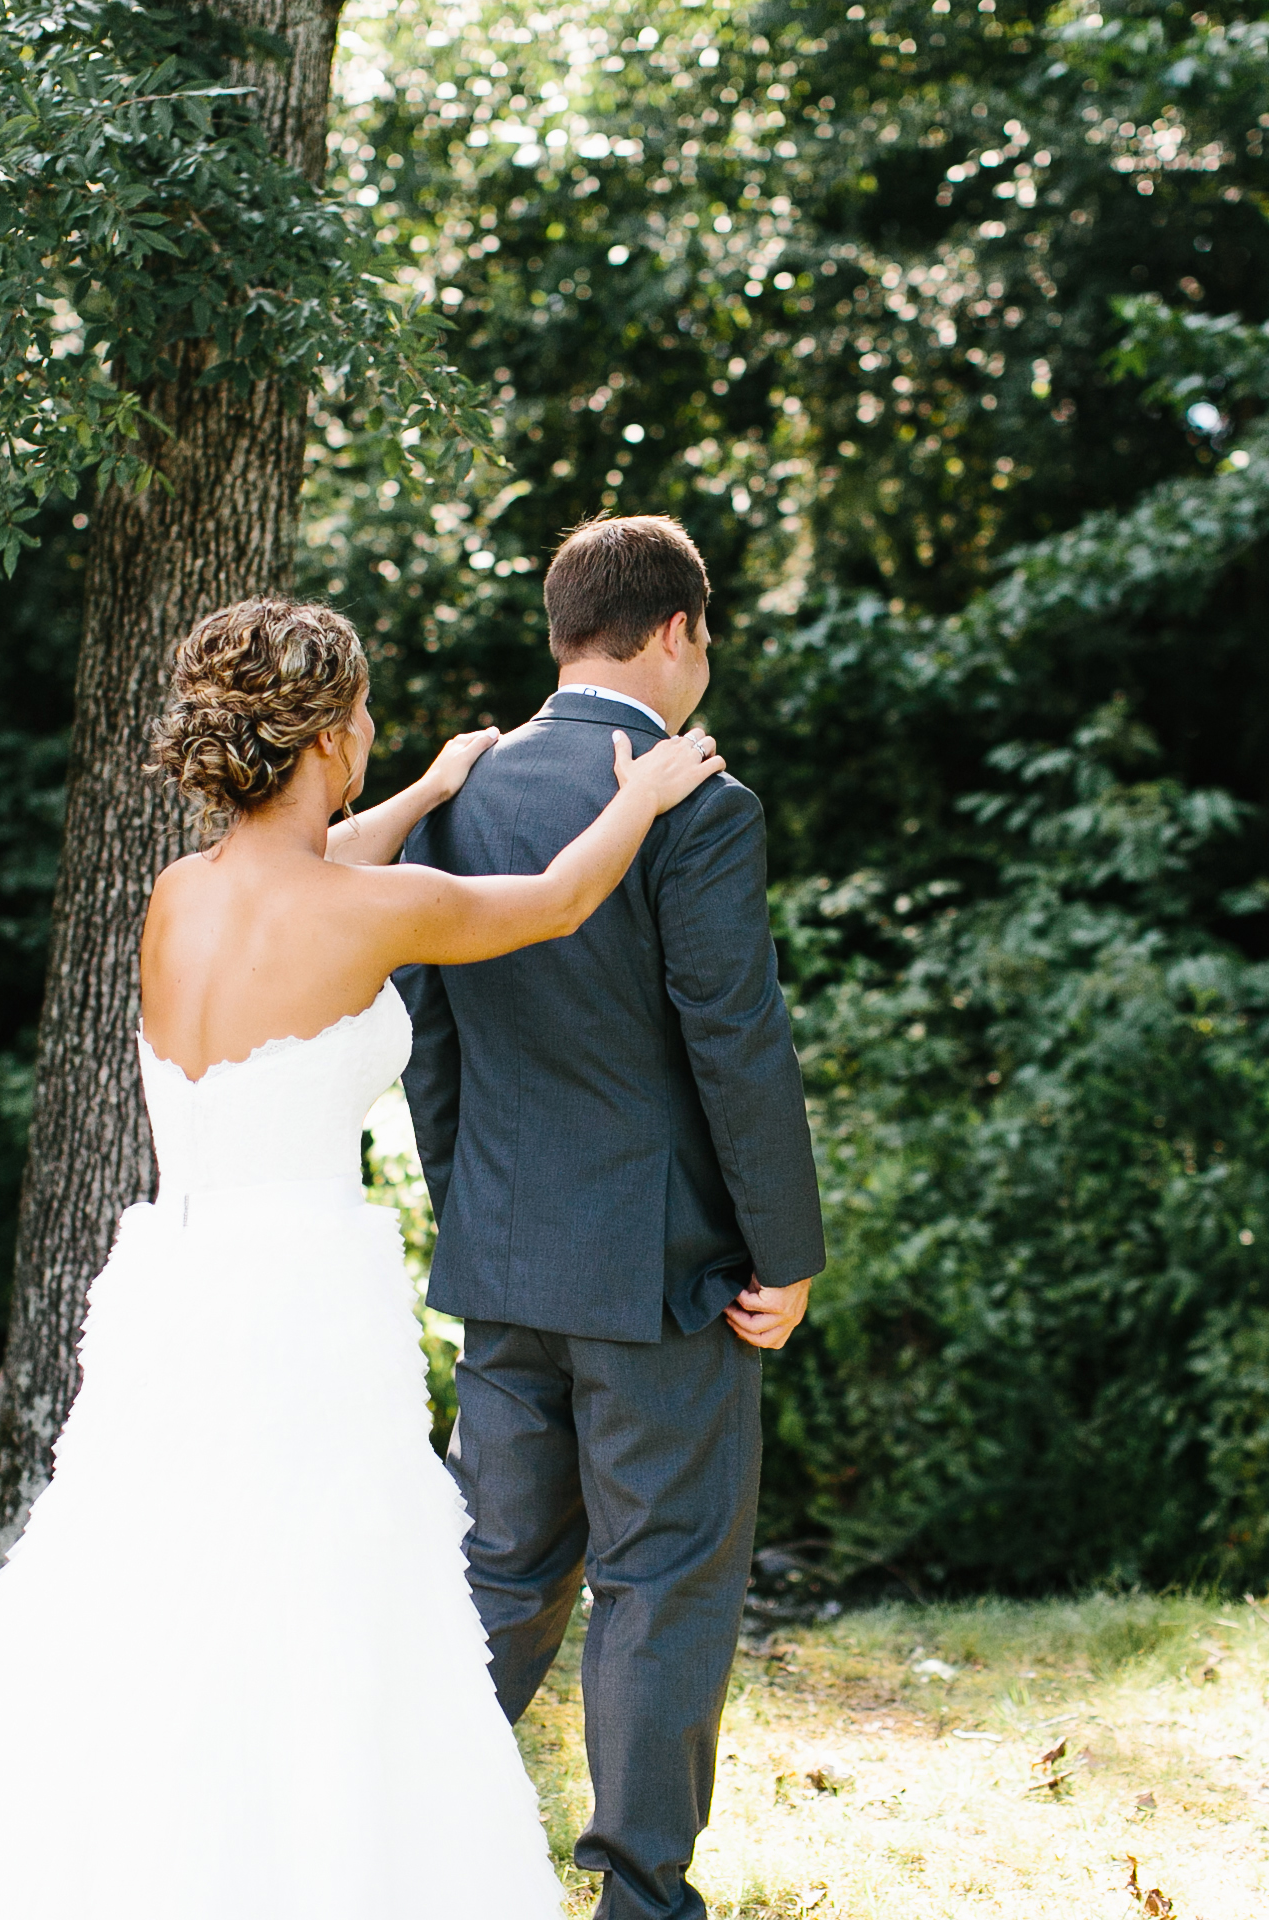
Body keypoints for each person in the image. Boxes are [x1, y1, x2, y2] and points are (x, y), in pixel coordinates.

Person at [0, 596, 727, 1920]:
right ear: (323, 736)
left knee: (149, 1585)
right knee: (319, 1602)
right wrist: (645, 792)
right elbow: (552, 900)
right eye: (366, 715)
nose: (375, 735)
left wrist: (426, 785)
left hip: (174, 1295)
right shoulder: (369, 912)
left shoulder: (181, 898)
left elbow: (314, 871)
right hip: (303, 1308)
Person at [400, 513, 828, 1920]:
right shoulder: (696, 799)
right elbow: (734, 1037)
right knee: (660, 1583)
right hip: (662, 1278)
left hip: (504, 1256)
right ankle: (643, 1899)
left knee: (503, 1572)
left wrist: (472, 1215)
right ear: (679, 630)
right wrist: (787, 1256)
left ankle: (391, 1838)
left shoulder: (460, 794)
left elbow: (440, 1036)